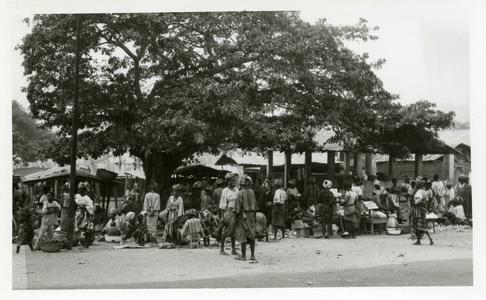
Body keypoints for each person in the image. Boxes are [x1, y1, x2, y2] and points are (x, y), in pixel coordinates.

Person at [234, 176, 257, 261]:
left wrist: (236, 216)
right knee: (251, 234)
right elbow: (255, 205)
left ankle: (243, 256)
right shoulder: (252, 192)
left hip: (242, 215)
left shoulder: (240, 193)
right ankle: (252, 255)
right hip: (251, 215)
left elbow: (237, 208)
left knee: (242, 234)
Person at [219, 176, 239, 255]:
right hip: (228, 212)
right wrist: (222, 216)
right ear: (228, 182)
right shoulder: (225, 191)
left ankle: (233, 249)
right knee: (226, 231)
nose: (233, 182)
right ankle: (222, 249)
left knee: (234, 231)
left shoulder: (237, 190)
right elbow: (222, 204)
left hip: (236, 212)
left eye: (234, 181)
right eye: (231, 181)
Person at [74, 183, 95, 249]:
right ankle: (83, 243)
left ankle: (86, 245)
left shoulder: (87, 198)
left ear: (83, 190)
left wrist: (84, 207)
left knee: (87, 229)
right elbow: (75, 202)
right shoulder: (77, 196)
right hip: (79, 214)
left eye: (80, 189)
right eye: (78, 189)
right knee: (79, 228)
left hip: (86, 214)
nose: (78, 191)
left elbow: (91, 207)